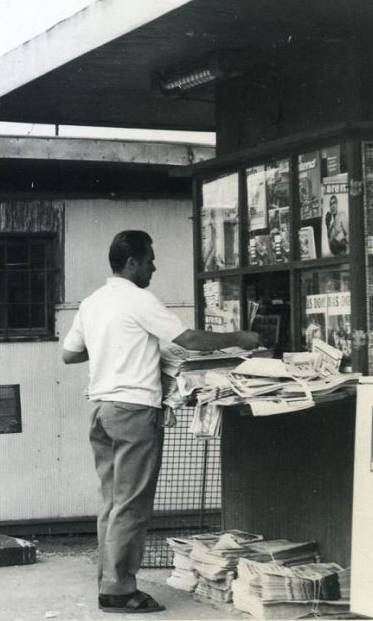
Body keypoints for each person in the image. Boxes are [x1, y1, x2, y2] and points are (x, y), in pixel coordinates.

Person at [61, 230, 260, 614]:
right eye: (150, 259)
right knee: (133, 505)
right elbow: (188, 340)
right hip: (134, 409)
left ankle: (108, 577)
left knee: (113, 500)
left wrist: (111, 346)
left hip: (101, 408)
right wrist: (241, 338)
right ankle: (118, 591)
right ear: (132, 262)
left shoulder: (92, 302)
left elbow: (70, 355)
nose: (154, 265)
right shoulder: (139, 299)